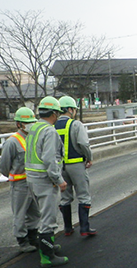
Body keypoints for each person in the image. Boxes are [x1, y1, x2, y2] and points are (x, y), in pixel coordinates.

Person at [25, 96, 69, 268]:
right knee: (48, 219)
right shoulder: (49, 131)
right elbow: (50, 160)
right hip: (45, 180)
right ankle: (47, 257)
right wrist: (59, 180)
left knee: (42, 215)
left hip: (32, 179)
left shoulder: (34, 128)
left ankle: (47, 245)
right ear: (54, 113)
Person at [0, 107, 41, 253]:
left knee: (34, 212)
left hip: (33, 182)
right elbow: (4, 166)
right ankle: (22, 240)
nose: (29, 125)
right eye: (26, 122)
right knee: (20, 213)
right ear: (19, 124)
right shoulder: (12, 142)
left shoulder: (32, 138)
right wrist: (13, 174)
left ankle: (33, 235)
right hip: (19, 183)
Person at [56, 96, 97, 237]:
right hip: (76, 164)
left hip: (60, 167)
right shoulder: (75, 124)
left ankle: (68, 228)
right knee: (83, 196)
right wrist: (89, 158)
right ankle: (84, 228)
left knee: (65, 197)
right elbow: (84, 144)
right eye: (73, 109)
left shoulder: (52, 126)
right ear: (69, 109)